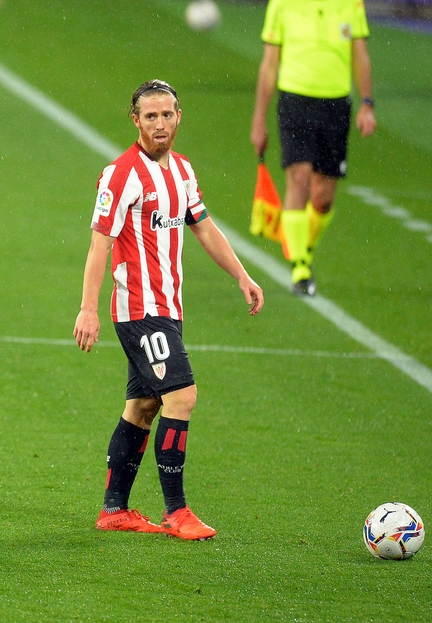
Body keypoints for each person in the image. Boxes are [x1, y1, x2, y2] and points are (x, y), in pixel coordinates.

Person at [73, 80, 264, 541]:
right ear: (135, 120)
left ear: (179, 117)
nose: (160, 124)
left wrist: (241, 275)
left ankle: (114, 509)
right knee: (182, 396)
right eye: (150, 116)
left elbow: (203, 226)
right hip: (139, 309)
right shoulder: (120, 175)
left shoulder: (181, 170)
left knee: (142, 406)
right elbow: (100, 241)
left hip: (169, 308)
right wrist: (88, 309)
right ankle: (177, 511)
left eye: (168, 114)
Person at [250, 0, 376, 296]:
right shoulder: (282, 4)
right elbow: (270, 64)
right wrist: (259, 118)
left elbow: (360, 55)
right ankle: (301, 268)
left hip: (336, 106)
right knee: (299, 177)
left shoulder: (350, 4)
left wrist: (367, 103)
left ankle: (300, 244)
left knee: (323, 197)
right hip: (295, 101)